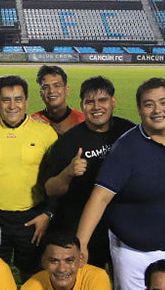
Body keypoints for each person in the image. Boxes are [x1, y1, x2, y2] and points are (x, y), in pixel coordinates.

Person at [75, 77, 165, 290]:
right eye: (149, 104)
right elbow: (99, 198)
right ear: (139, 109)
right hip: (134, 253)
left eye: (164, 102)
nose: (157, 110)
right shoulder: (127, 148)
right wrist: (81, 243)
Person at [37, 76, 135, 269]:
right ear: (82, 106)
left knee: (124, 286)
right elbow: (49, 189)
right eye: (90, 102)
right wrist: (68, 172)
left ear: (113, 101)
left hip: (124, 225)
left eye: (102, 100)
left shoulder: (129, 132)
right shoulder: (68, 142)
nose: (96, 107)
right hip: (84, 228)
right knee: (89, 284)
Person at [0, 74, 58, 279]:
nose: (13, 105)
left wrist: (47, 214)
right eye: (6, 99)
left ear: (27, 101)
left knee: (33, 276)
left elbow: (59, 182)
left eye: (18, 99)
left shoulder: (45, 134)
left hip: (32, 219)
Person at [32, 65, 85, 135]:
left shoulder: (83, 120)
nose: (51, 91)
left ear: (66, 90)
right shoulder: (32, 121)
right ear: (41, 93)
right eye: (46, 87)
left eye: (57, 86)